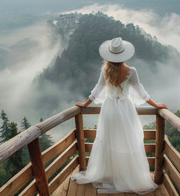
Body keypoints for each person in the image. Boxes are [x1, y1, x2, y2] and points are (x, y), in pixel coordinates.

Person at [70, 37, 167, 194]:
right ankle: (124, 176)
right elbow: (141, 92)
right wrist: (156, 105)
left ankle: (111, 174)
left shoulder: (105, 71)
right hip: (125, 109)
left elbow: (97, 89)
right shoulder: (131, 71)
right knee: (127, 142)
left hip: (109, 110)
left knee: (108, 140)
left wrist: (85, 104)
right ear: (123, 55)